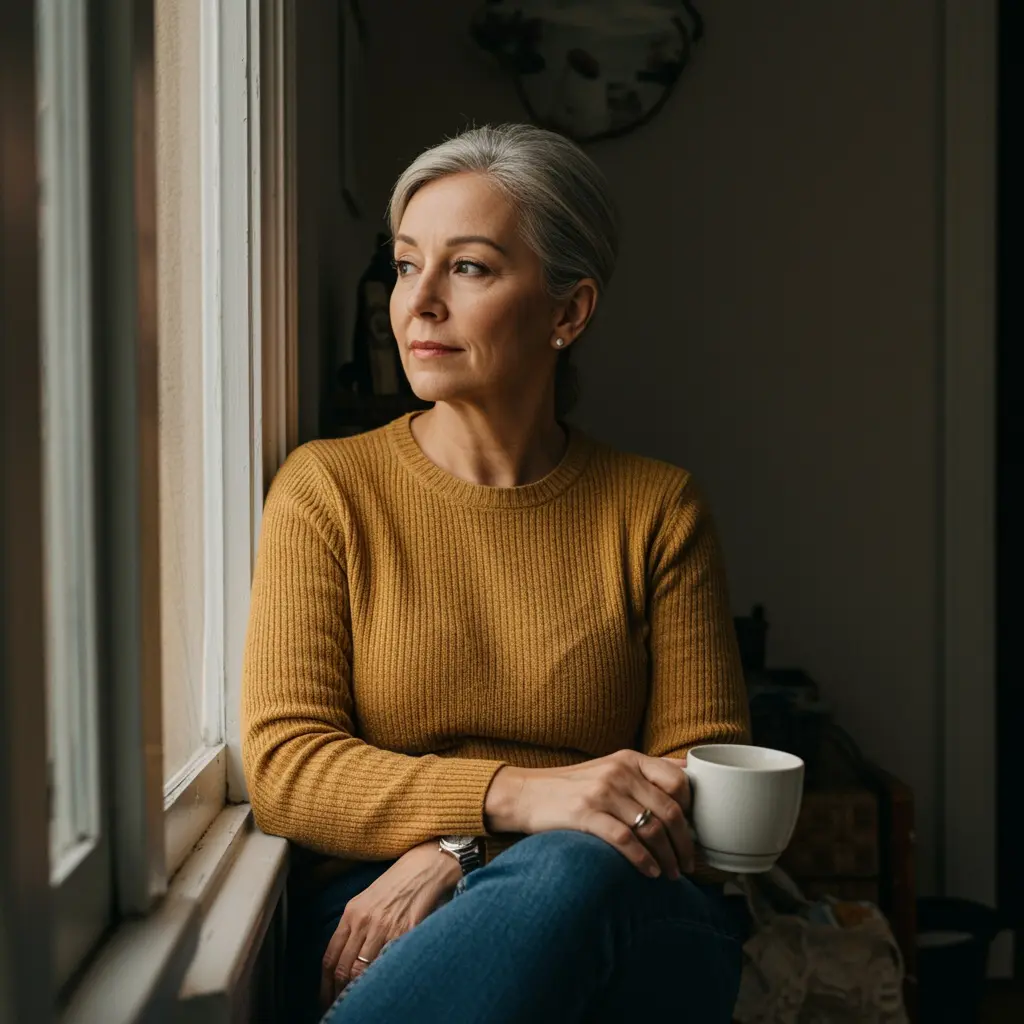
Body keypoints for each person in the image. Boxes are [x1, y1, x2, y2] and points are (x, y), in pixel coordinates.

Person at [241, 123, 750, 1023]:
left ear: (568, 312)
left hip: (632, 898)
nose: (417, 303)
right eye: (405, 266)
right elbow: (289, 766)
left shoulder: (657, 509)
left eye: (468, 267)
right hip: (384, 904)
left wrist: (465, 848)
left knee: (576, 864)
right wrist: (508, 806)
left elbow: (697, 785)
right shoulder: (328, 491)